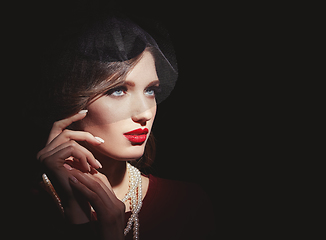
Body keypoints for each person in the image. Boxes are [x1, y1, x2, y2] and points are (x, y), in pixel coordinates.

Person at [28, 14, 214, 240]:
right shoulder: (27, 210)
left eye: (150, 90)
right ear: (73, 99)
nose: (144, 112)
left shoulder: (187, 204)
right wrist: (77, 214)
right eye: (118, 90)